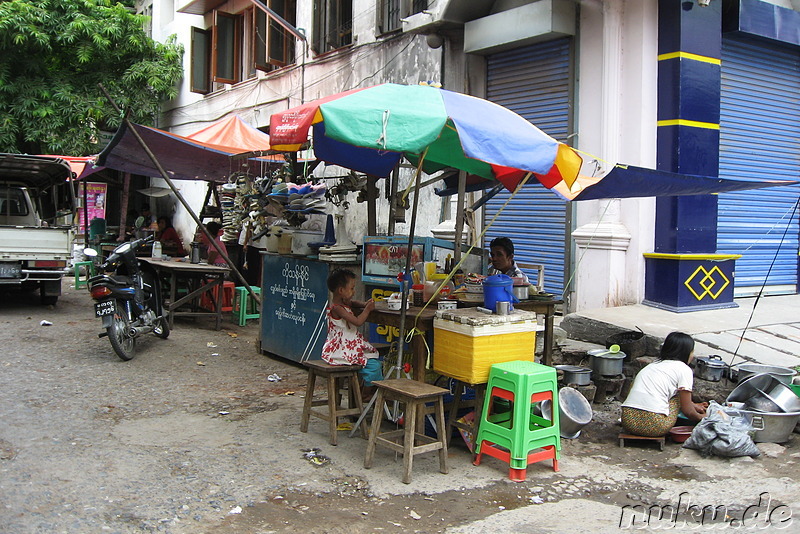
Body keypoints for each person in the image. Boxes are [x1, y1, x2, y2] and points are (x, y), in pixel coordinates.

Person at [621, 332, 708, 437]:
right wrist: (703, 417)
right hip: (656, 426)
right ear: (686, 353)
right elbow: (687, 411)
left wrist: (694, 405)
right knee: (676, 396)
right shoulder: (684, 369)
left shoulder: (652, 366)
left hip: (627, 421)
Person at [321, 269, 383, 400]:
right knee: (374, 366)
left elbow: (353, 303)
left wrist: (364, 304)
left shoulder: (344, 303)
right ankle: (365, 393)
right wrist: (367, 310)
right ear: (341, 291)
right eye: (352, 288)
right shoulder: (337, 308)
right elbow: (358, 321)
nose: (354, 291)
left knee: (372, 359)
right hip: (342, 349)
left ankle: (365, 388)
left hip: (349, 345)